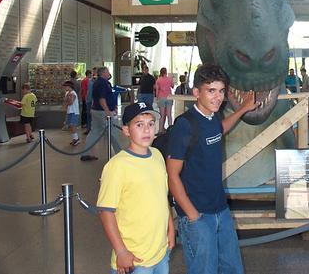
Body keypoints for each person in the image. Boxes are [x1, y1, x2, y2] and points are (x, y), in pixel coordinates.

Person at [166, 64, 259, 274]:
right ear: (196, 92)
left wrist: (243, 109)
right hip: (197, 213)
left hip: (220, 209)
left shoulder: (213, 116)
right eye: (211, 91)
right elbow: (172, 175)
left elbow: (219, 129)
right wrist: (193, 216)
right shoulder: (185, 125)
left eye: (221, 91)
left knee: (233, 268)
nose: (218, 97)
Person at [97, 102, 174, 274]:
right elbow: (106, 212)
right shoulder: (117, 166)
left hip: (160, 252)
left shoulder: (157, 156)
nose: (147, 130)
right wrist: (121, 251)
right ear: (126, 130)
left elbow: (162, 197)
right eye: (139, 125)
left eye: (151, 124)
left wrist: (170, 229)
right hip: (134, 259)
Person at [81, 67, 120, 161]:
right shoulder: (102, 83)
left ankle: (86, 153)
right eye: (107, 72)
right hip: (102, 112)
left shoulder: (98, 82)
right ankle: (119, 154)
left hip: (96, 110)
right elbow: (102, 98)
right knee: (113, 132)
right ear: (103, 73)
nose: (109, 73)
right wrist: (107, 111)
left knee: (94, 132)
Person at [155, 67, 174, 133]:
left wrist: (157, 98)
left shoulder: (158, 80)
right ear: (166, 72)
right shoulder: (170, 79)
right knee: (169, 114)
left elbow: (157, 90)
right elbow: (172, 86)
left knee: (162, 115)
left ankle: (160, 130)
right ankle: (170, 130)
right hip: (169, 97)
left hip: (161, 97)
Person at [63, 81, 80, 146]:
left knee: (73, 125)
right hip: (69, 111)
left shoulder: (73, 93)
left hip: (74, 112)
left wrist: (66, 103)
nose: (65, 88)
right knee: (70, 126)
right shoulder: (67, 93)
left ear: (69, 86)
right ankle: (74, 138)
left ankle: (76, 139)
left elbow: (71, 102)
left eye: (66, 86)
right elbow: (65, 100)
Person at [85, 67, 97, 135]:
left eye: (95, 72)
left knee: (94, 115)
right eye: (93, 72)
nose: (94, 73)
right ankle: (88, 128)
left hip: (94, 101)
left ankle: (93, 129)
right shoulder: (90, 81)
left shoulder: (97, 81)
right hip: (89, 100)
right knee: (88, 115)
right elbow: (88, 91)